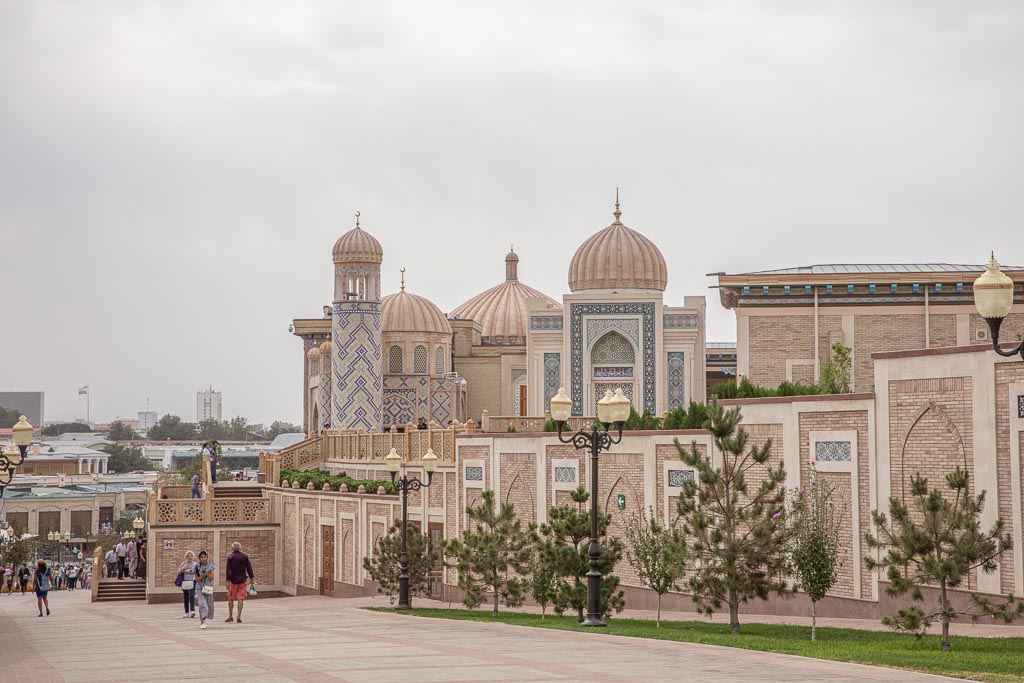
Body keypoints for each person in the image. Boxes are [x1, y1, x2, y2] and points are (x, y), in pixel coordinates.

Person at [224, 542, 254, 624]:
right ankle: (239, 616)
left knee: (230, 598)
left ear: (232, 548)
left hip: (233, 581)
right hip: (242, 580)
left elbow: (228, 570)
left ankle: (230, 616)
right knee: (240, 598)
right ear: (240, 548)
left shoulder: (230, 557)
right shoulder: (245, 556)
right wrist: (252, 578)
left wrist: (228, 581)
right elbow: (249, 568)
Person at [194, 550, 216, 629]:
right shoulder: (196, 566)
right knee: (202, 604)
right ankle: (202, 621)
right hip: (200, 587)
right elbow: (197, 579)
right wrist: (202, 575)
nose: (203, 559)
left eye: (204, 557)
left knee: (209, 604)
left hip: (208, 587)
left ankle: (206, 619)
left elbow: (212, 578)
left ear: (207, 557)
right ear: (199, 558)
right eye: (201, 557)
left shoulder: (210, 566)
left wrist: (208, 573)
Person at [178, 551, 197, 619]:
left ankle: (192, 611)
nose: (190, 557)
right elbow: (178, 572)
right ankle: (186, 612)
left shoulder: (195, 564)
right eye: (188, 556)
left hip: (192, 581)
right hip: (185, 581)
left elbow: (198, 573)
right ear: (186, 557)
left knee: (191, 596)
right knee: (185, 597)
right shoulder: (183, 564)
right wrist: (183, 568)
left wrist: (195, 572)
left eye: (191, 556)